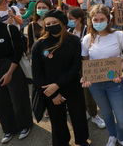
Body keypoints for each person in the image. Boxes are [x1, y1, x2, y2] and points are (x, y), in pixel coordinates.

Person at [31, 9, 89, 146]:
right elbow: (37, 72)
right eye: (48, 23)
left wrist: (58, 84)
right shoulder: (39, 45)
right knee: (57, 120)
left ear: (62, 23)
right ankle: (62, 142)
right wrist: (53, 93)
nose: (51, 25)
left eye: (54, 22)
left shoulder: (73, 40)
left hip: (72, 85)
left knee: (78, 116)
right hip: (50, 90)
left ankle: (82, 139)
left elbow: (76, 66)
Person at [81, 4, 123, 146]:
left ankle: (122, 137)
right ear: (91, 20)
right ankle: (112, 136)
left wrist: (120, 69)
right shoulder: (87, 39)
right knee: (106, 113)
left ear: (108, 19)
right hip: (96, 85)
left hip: (115, 82)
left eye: (101, 19)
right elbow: (85, 63)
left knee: (122, 118)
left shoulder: (118, 35)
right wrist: (85, 77)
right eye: (95, 20)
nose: (99, 23)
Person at [0, 0, 33, 143]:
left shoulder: (9, 29)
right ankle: (8, 129)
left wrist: (10, 72)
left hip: (11, 66)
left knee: (18, 98)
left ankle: (25, 125)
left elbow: (18, 52)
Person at [67, 7, 106, 129]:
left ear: (79, 19)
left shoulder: (87, 31)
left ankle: (94, 115)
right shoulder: (68, 30)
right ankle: (84, 112)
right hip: (72, 67)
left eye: (70, 19)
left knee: (89, 92)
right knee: (77, 92)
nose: (68, 21)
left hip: (86, 65)